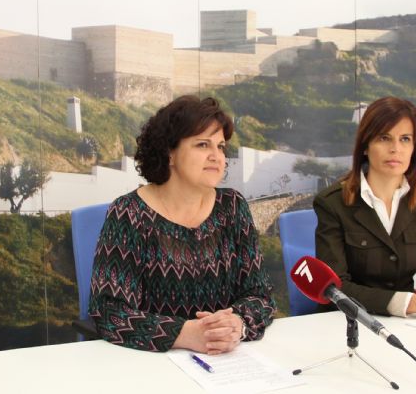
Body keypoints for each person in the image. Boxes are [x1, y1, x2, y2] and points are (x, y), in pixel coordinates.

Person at [88, 95, 276, 353]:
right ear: (170, 153)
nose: (217, 156)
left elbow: (261, 294)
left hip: (226, 360)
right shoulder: (129, 213)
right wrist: (183, 334)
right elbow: (109, 310)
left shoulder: (232, 206)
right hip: (151, 361)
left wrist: (237, 323)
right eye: (202, 145)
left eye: (221, 147)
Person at [314, 96, 416, 325]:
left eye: (405, 139)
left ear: (414, 148)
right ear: (365, 146)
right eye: (384, 138)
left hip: (406, 325)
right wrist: (415, 303)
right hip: (346, 324)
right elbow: (335, 289)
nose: (395, 149)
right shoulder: (332, 203)